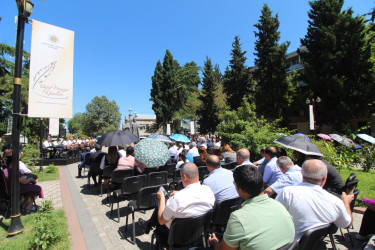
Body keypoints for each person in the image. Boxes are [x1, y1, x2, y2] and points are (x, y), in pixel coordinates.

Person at [208, 165, 295, 249]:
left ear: (241, 190)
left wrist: (214, 242)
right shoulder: (279, 205)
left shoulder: (238, 218)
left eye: (234, 184)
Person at [276, 159, 354, 241]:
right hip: (315, 245)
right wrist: (346, 203)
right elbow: (347, 224)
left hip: (287, 244)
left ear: (302, 175)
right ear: (324, 179)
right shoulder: (336, 202)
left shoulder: (288, 193)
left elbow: (274, 216)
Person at [138, 163, 215, 245]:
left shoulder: (177, 199)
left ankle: (149, 227)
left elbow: (161, 221)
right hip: (197, 232)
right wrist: (179, 192)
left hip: (176, 237)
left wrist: (162, 198)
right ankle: (148, 225)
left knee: (159, 207)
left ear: (184, 177)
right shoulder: (208, 190)